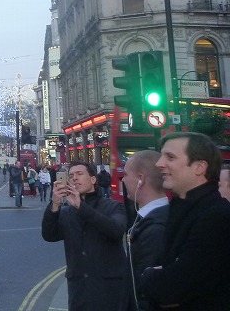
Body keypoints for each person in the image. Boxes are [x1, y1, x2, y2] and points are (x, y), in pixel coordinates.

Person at [137, 132, 230, 310]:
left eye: (170, 157)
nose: (159, 164)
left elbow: (171, 289)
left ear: (199, 167)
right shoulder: (181, 208)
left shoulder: (216, 217)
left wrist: (149, 276)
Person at [41, 161, 126, 311]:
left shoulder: (113, 206)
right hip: (79, 291)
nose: (74, 178)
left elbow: (116, 230)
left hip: (108, 290)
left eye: (79, 174)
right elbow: (49, 234)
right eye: (71, 175)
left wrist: (81, 206)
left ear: (93, 180)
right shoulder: (67, 212)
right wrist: (55, 204)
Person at [121, 150, 168, 311]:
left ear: (140, 179)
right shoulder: (156, 217)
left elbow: (144, 291)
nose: (123, 179)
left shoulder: (155, 228)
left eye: (126, 174)